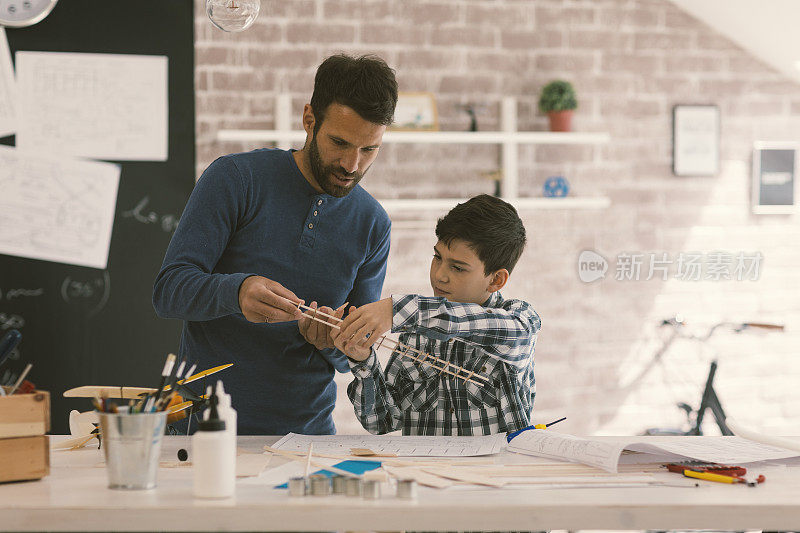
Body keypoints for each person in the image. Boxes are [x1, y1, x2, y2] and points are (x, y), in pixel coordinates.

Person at [152, 54, 398, 435]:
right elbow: (168, 291)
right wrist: (237, 292)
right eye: (340, 143)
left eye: (369, 150)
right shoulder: (235, 178)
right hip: (201, 430)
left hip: (307, 438)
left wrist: (333, 341)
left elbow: (354, 356)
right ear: (309, 119)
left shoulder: (373, 223)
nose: (352, 164)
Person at [332, 194, 541, 435]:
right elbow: (382, 422)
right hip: (426, 471)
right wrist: (362, 360)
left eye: (458, 267)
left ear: (496, 279)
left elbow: (474, 324)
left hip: (494, 472)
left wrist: (394, 310)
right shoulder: (415, 333)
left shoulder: (520, 321)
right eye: (437, 257)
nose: (440, 275)